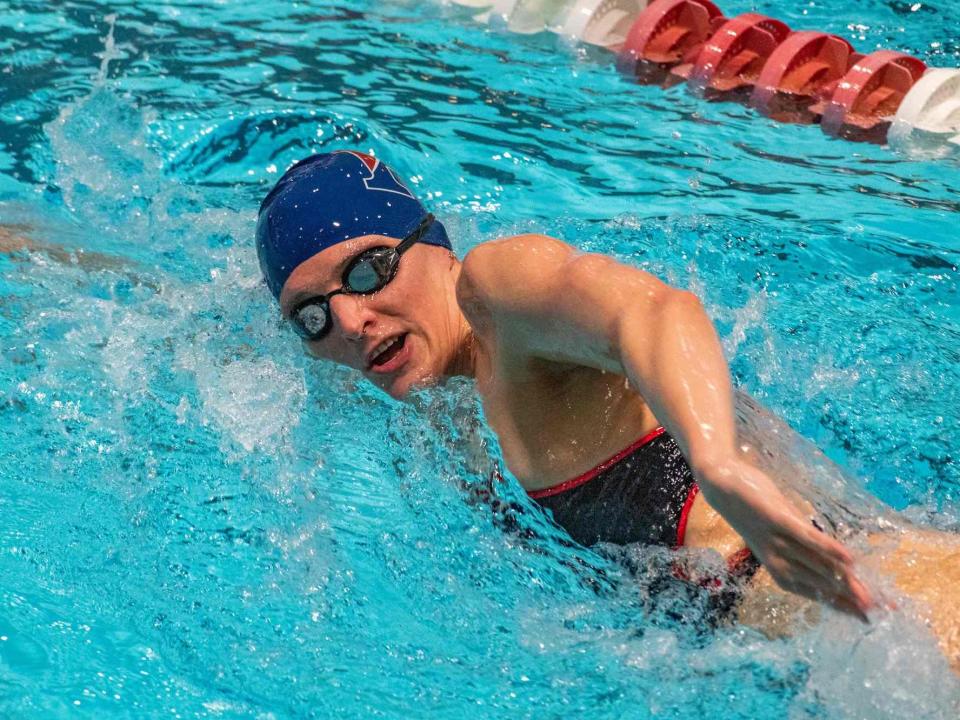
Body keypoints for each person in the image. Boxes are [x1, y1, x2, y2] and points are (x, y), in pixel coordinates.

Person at [255, 152, 960, 673]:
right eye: (311, 315)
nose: (349, 320)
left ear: (435, 246)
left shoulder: (499, 292)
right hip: (789, 639)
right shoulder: (438, 395)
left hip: (870, 593)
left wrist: (716, 467)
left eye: (369, 270)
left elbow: (652, 311)